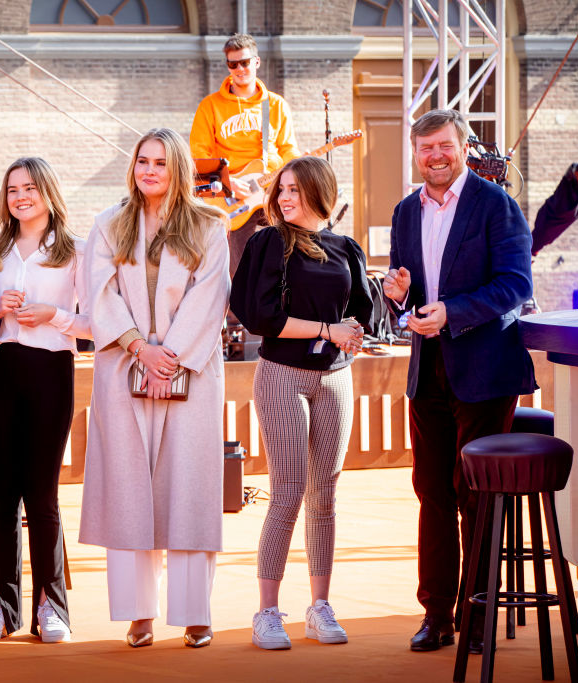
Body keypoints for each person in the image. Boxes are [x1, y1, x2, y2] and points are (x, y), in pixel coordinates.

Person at [382, 109, 537, 654]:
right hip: (427, 372)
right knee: (432, 494)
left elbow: (516, 285)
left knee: (476, 498)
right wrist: (398, 293)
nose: (435, 157)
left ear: (464, 148)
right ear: (415, 153)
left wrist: (452, 312)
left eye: (444, 146)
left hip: (487, 372)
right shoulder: (405, 212)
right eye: (424, 148)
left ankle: (478, 615)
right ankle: (436, 616)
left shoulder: (497, 206)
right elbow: (407, 288)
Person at [81, 127, 230, 649]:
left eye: (161, 163)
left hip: (189, 369)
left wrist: (170, 359)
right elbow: (97, 292)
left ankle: (195, 613)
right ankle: (138, 613)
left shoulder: (210, 226)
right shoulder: (108, 224)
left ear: (179, 170)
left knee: (187, 487)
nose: (149, 170)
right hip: (124, 366)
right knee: (128, 490)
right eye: (143, 160)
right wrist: (139, 349)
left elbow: (210, 297)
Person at [230, 156, 373, 650]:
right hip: (282, 375)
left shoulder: (346, 248)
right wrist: (328, 329)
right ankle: (267, 612)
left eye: (295, 189)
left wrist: (353, 330)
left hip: (335, 377)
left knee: (326, 494)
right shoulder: (271, 241)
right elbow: (261, 317)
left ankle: (320, 606)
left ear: (319, 191)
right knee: (288, 489)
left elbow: (360, 315)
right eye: (282, 190)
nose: (285, 197)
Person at [0, 157, 90, 644]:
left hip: (49, 373)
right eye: (13, 189)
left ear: (48, 193)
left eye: (30, 188)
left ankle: (51, 606)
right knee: (3, 493)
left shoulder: (74, 251)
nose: (20, 197)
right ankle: (0, 607)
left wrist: (53, 314)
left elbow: (95, 322)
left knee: (42, 494)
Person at [190, 33, 300, 276]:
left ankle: (285, 305)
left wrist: (294, 174)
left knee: (294, 245)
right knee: (236, 265)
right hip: (232, 197)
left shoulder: (276, 105)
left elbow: (288, 148)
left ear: (257, 62)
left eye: (245, 62)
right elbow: (197, 161)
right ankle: (238, 313)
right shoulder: (210, 106)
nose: (240, 69)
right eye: (233, 64)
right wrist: (227, 183)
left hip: (273, 188)